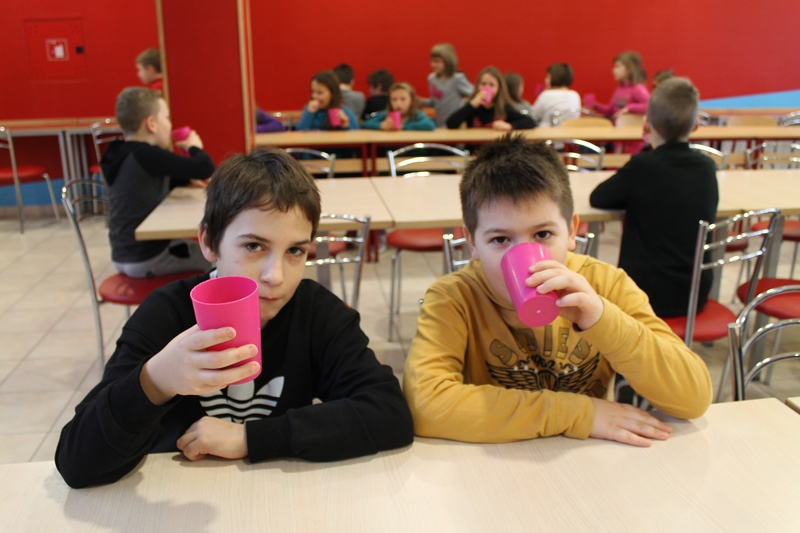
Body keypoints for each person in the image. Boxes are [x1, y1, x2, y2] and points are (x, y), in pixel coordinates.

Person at [56, 146, 414, 488]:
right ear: (209, 242)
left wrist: (250, 437)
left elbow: (389, 413)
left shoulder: (316, 312)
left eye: (295, 251)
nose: (275, 276)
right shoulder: (167, 312)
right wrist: (156, 380)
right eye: (253, 246)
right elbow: (77, 462)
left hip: (277, 495)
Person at [403, 133, 712, 447]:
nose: (525, 259)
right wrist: (577, 414)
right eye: (500, 239)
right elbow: (425, 405)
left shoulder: (605, 285)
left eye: (543, 234)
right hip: (499, 460)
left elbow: (694, 398)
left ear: (572, 231)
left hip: (587, 458)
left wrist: (602, 319)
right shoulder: (455, 298)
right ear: (472, 243)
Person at [590, 78, 718, 318]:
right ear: (696, 125)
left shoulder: (642, 167)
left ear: (646, 124)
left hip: (643, 294)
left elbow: (599, 197)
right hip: (694, 294)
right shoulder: (707, 167)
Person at [101, 87, 215, 278]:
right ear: (151, 124)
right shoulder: (146, 154)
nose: (170, 125)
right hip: (146, 257)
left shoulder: (120, 153)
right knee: (215, 258)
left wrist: (185, 178)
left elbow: (145, 184)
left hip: (122, 255)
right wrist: (193, 146)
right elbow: (205, 167)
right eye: (167, 118)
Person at [446, 66, 535, 130]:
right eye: (483, 84)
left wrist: (510, 125)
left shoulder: (504, 107)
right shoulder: (472, 107)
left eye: (491, 85)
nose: (487, 88)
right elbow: (451, 124)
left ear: (499, 88)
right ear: (477, 86)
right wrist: (472, 104)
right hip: (474, 148)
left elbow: (530, 121)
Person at [422, 43, 473, 128]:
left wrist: (463, 105)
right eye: (432, 61)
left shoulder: (457, 79)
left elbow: (474, 94)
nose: (433, 65)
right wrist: (421, 101)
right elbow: (435, 102)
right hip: (439, 124)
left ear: (448, 61)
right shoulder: (432, 79)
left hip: (455, 125)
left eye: (437, 61)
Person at [593, 51, 649, 120]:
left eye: (618, 67)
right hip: (616, 125)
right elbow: (610, 111)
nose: (613, 70)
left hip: (627, 126)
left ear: (629, 68)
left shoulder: (637, 87)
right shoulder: (619, 88)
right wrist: (595, 106)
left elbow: (649, 106)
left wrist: (629, 108)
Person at [361, 82, 435, 131]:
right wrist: (380, 125)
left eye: (403, 99)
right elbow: (365, 124)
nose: (398, 103)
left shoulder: (416, 114)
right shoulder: (387, 114)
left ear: (411, 101)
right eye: (394, 99)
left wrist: (404, 126)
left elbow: (430, 125)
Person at [529, 63, 582, 128]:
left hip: (547, 132)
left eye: (548, 77)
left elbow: (533, 116)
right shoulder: (575, 95)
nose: (545, 80)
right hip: (570, 132)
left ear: (554, 78)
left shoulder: (546, 95)